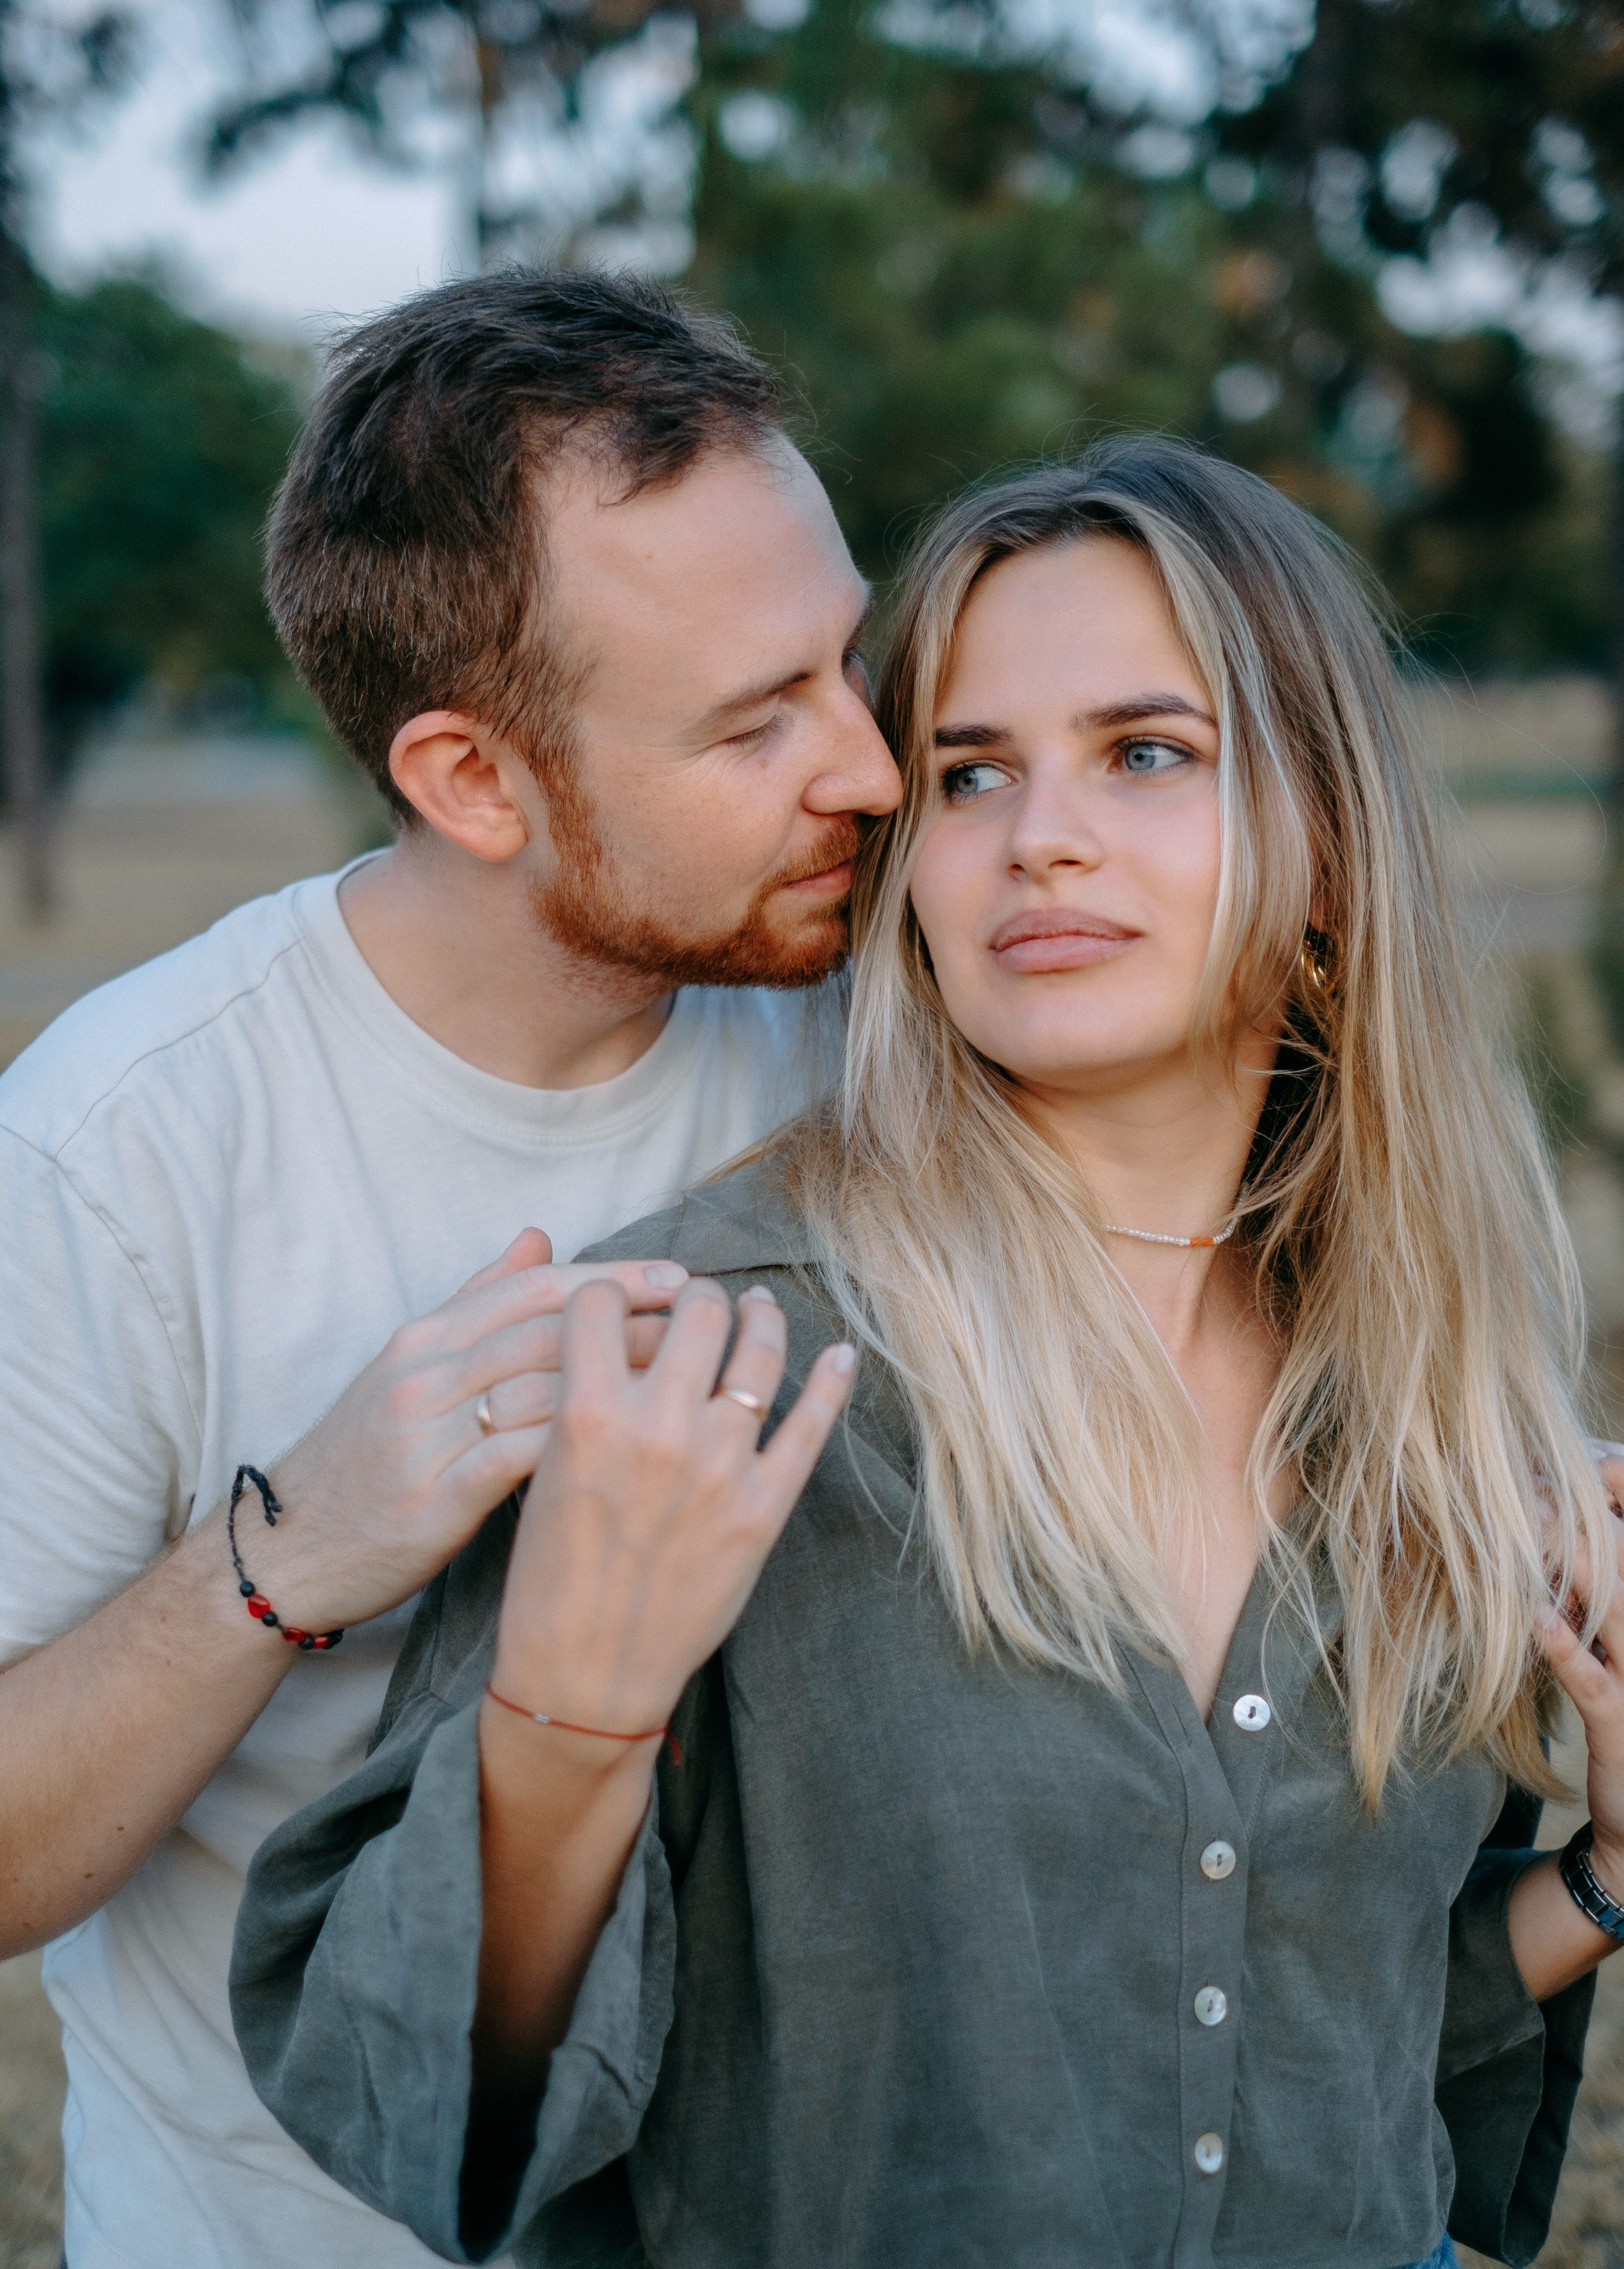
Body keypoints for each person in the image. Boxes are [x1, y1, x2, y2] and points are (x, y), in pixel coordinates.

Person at [232, 437, 1624, 2269]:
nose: (1038, 832)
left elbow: (1298, 2046)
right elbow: (425, 2114)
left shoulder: (1439, 1386)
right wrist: (569, 1710)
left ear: (1330, 853)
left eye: (1147, 752)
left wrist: (1603, 1879)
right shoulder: (720, 1353)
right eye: (970, 774)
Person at [0, 268, 901, 2269]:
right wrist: (285, 1555)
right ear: (472, 781)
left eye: (850, 667)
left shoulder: (869, 1040)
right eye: (758, 722)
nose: (872, 771)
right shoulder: (120, 1147)